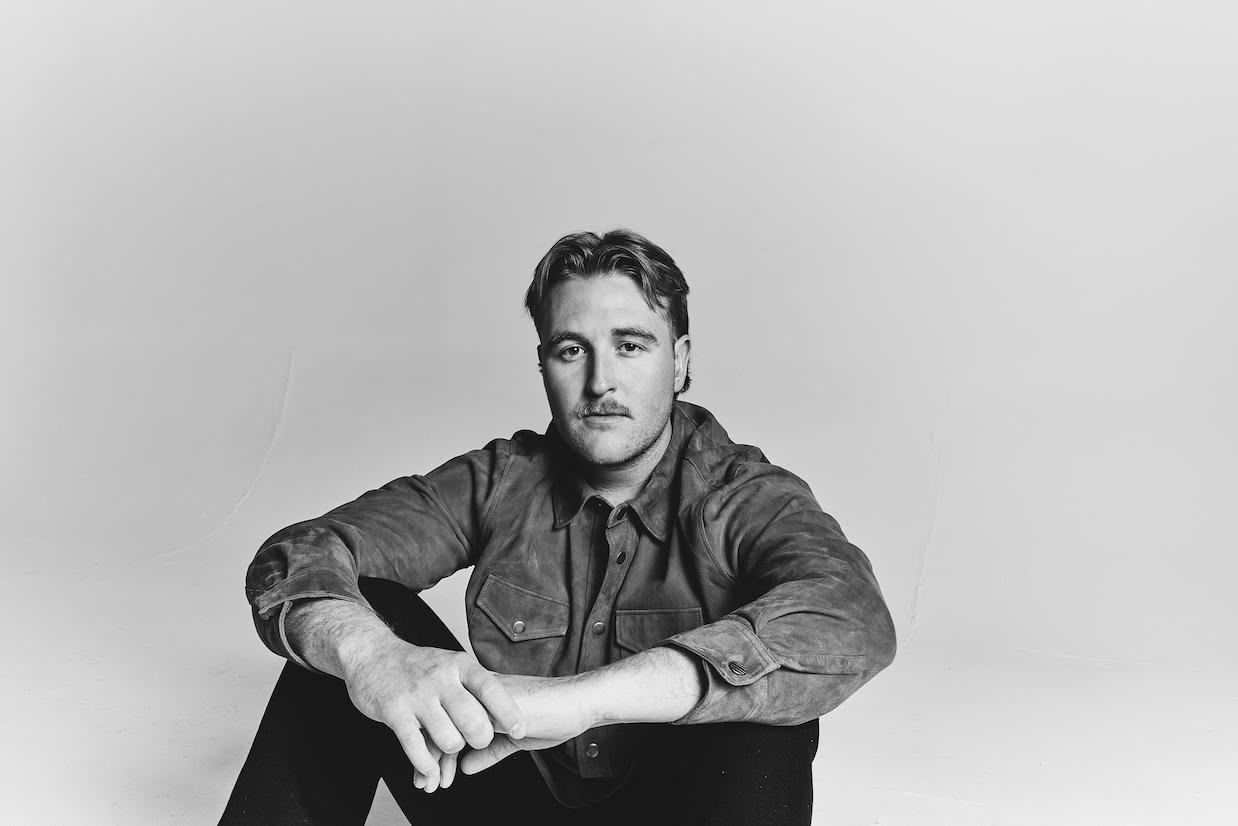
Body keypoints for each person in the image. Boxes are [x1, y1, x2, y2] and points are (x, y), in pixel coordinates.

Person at [221, 229, 897, 825]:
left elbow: (851, 617)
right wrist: (373, 658)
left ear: (681, 360)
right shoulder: (501, 481)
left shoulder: (742, 495)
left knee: (765, 700)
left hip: (676, 811)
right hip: (503, 797)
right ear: (543, 364)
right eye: (573, 350)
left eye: (630, 346)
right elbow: (300, 554)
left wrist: (581, 702)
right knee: (352, 620)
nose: (601, 382)